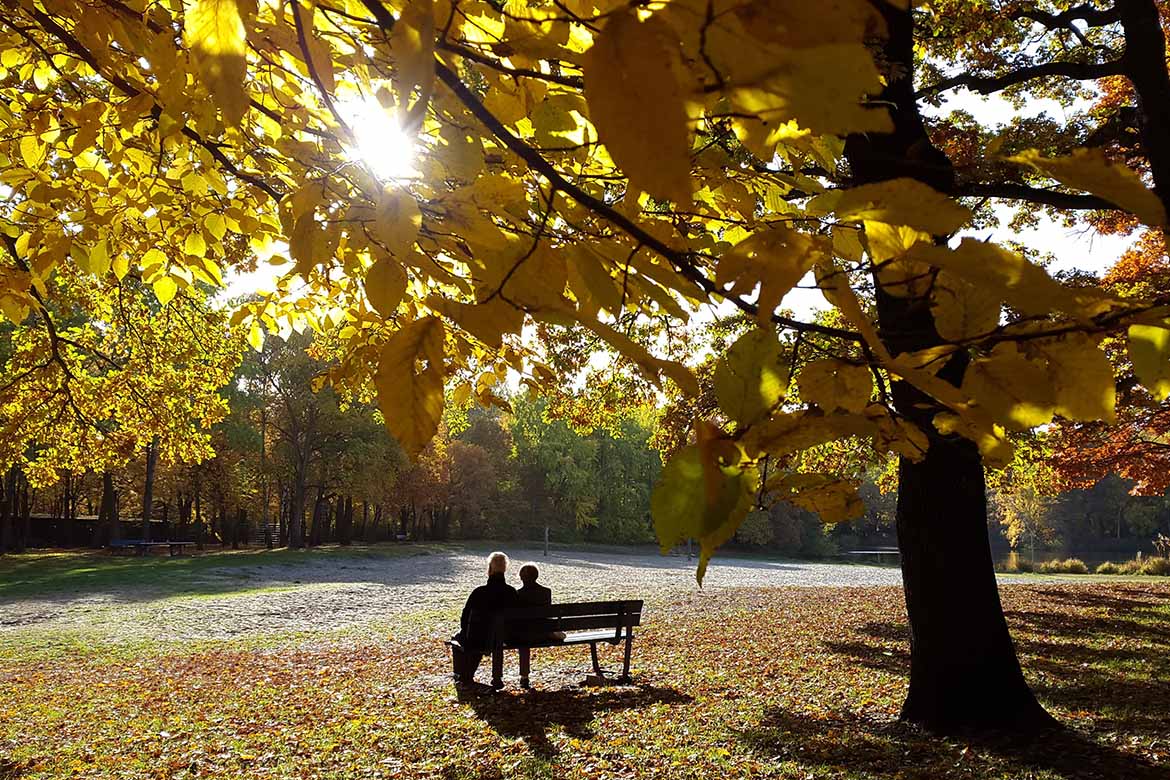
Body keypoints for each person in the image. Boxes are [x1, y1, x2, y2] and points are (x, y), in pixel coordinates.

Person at [451, 551, 516, 686]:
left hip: (480, 637)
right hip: (506, 636)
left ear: (489, 569)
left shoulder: (479, 592)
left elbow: (465, 617)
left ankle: (462, 675)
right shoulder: (511, 592)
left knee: (460, 638)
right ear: (505, 569)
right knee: (483, 634)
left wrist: (465, 631)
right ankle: (469, 675)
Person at [514, 563, 563, 688]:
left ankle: (524, 677)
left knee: (524, 637)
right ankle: (554, 634)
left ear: (521, 577)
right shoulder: (546, 592)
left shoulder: (517, 594)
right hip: (543, 634)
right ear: (536, 576)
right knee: (532, 630)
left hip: (525, 636)